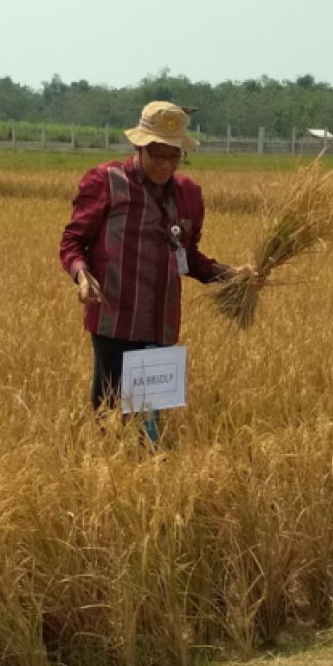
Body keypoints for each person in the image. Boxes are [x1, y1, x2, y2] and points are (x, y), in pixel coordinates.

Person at [60, 101, 251, 440]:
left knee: (147, 420)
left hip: (160, 322)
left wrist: (232, 274)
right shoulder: (107, 181)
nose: (165, 165)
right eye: (157, 155)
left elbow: (188, 257)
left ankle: (145, 475)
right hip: (113, 317)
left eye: (173, 156)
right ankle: (102, 476)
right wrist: (81, 275)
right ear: (139, 146)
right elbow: (73, 240)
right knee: (106, 410)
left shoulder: (188, 194)